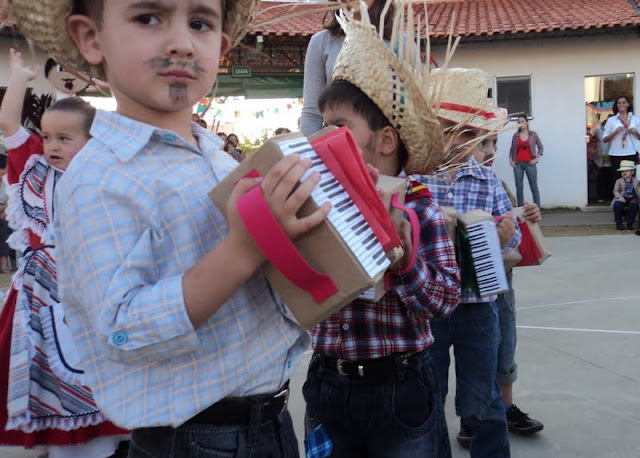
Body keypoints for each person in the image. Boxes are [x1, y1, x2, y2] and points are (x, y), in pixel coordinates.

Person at [14, 0, 333, 456]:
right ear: (91, 38)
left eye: (200, 23)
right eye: (148, 18)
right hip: (196, 438)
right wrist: (243, 249)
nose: (182, 43)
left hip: (270, 420)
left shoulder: (217, 156)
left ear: (221, 46)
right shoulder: (98, 179)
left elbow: (265, 287)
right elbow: (121, 330)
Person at [304, 9, 460, 456]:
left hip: (401, 382)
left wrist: (406, 262)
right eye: (322, 126)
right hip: (328, 380)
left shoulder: (420, 206)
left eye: (339, 128)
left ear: (386, 140)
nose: (324, 138)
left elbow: (445, 301)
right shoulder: (319, 204)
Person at [0, 48, 129, 457]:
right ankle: (53, 444)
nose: (51, 145)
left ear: (92, 141)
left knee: (92, 373)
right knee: (44, 376)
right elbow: (8, 123)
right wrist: (19, 77)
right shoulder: (33, 168)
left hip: (93, 288)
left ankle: (100, 445)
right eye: (46, 136)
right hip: (38, 294)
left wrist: (117, 89)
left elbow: (135, 128)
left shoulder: (107, 173)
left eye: (64, 138)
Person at [421, 67, 522, 458]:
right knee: (428, 392)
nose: (460, 142)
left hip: (478, 304)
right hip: (429, 305)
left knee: (484, 394)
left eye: (469, 134)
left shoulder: (487, 179)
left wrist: (505, 234)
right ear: (434, 131)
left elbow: (512, 235)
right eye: (452, 131)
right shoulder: (415, 177)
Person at [300, 0, 394, 136]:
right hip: (338, 144)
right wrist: (312, 148)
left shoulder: (402, 44)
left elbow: (414, 111)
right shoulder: (321, 42)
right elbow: (312, 115)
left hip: (388, 143)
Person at [509, 116, 543, 207]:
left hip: (530, 164)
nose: (520, 123)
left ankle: (537, 209)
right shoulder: (516, 136)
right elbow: (512, 149)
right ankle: (520, 210)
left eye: (522, 121)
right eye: (519, 122)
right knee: (519, 188)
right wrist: (511, 160)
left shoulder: (533, 134)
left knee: (534, 187)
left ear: (527, 122)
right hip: (518, 164)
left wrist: (536, 159)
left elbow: (541, 147)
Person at [603, 95, 640, 177]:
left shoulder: (635, 119)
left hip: (630, 153)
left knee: (629, 180)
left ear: (628, 104)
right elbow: (605, 140)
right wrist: (615, 132)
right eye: (619, 103)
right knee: (617, 180)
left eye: (624, 102)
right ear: (616, 105)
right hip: (615, 154)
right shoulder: (612, 120)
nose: (621, 105)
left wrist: (635, 132)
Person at [611, 160, 639, 230]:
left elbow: (638, 192)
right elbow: (615, 191)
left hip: (632, 198)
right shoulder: (619, 181)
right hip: (622, 197)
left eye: (627, 171)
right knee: (617, 205)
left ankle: (630, 223)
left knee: (634, 205)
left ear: (632, 172)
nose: (624, 173)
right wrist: (620, 197)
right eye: (622, 171)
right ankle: (619, 223)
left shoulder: (636, 181)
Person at [0, 154, 11, 272]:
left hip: (4, 214)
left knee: (3, 224)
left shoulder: (7, 182)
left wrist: (5, 210)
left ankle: (4, 261)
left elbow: (10, 200)